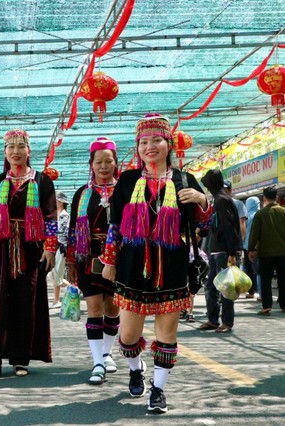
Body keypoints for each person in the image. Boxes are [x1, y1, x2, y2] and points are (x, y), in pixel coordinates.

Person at [101, 114, 211, 413]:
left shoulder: (185, 179)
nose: (150, 147)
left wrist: (202, 200)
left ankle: (159, 390)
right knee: (127, 335)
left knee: (167, 334)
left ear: (168, 144)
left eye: (157, 140)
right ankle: (136, 369)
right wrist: (109, 261)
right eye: (144, 142)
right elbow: (114, 226)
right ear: (138, 148)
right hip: (132, 264)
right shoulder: (126, 180)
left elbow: (205, 223)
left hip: (172, 265)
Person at [0, 129, 57, 378]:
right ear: (5, 153)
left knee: (25, 301)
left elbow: (50, 218)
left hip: (30, 250)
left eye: (21, 146)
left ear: (29, 151)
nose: (16, 151)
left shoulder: (42, 181)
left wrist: (50, 248)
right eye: (11, 147)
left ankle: (22, 359)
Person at [67, 137, 120, 385]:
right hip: (87, 257)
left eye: (108, 161)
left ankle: (108, 353)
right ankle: (97, 361)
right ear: (91, 164)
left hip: (119, 259)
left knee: (113, 308)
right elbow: (71, 231)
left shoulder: (125, 190)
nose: (103, 166)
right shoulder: (83, 194)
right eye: (98, 162)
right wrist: (70, 263)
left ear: (115, 163)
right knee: (95, 309)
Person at [199, 169, 242, 334]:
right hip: (217, 251)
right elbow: (217, 225)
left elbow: (228, 226)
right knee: (211, 286)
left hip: (224, 252)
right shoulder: (220, 199)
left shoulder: (221, 201)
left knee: (226, 288)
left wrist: (232, 252)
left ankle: (226, 322)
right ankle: (213, 319)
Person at [248, 186, 285, 315]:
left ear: (264, 198)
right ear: (277, 197)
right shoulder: (283, 212)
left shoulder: (260, 214)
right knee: (283, 279)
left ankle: (267, 306)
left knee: (265, 280)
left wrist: (251, 249)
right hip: (283, 253)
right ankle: (284, 305)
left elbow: (254, 234)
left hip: (266, 253)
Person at [48, 191, 69, 308]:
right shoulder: (56, 214)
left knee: (56, 273)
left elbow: (64, 233)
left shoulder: (64, 216)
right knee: (53, 274)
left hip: (60, 247)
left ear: (60, 202)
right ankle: (73, 288)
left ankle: (56, 301)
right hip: (54, 247)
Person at [242, 197, 261, 298]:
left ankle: (251, 291)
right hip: (261, 247)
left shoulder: (247, 216)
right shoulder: (261, 214)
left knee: (250, 269)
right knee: (260, 269)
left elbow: (244, 232)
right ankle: (260, 290)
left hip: (248, 246)